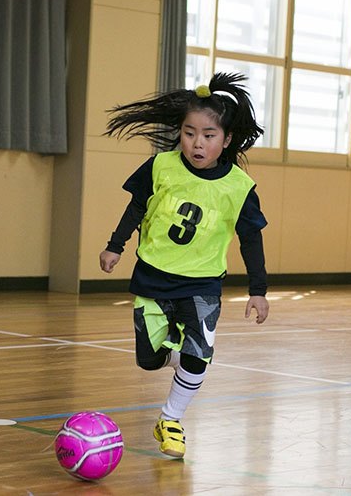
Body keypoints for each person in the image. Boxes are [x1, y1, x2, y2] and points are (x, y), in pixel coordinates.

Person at [99, 72, 269, 458]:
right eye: (189, 132)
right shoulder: (160, 166)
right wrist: (115, 246)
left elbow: (251, 240)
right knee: (149, 359)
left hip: (203, 284)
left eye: (208, 135)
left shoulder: (239, 187)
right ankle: (187, 356)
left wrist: (257, 290)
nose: (197, 142)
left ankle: (171, 419)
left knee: (198, 352)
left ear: (226, 140)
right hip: (153, 278)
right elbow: (136, 207)